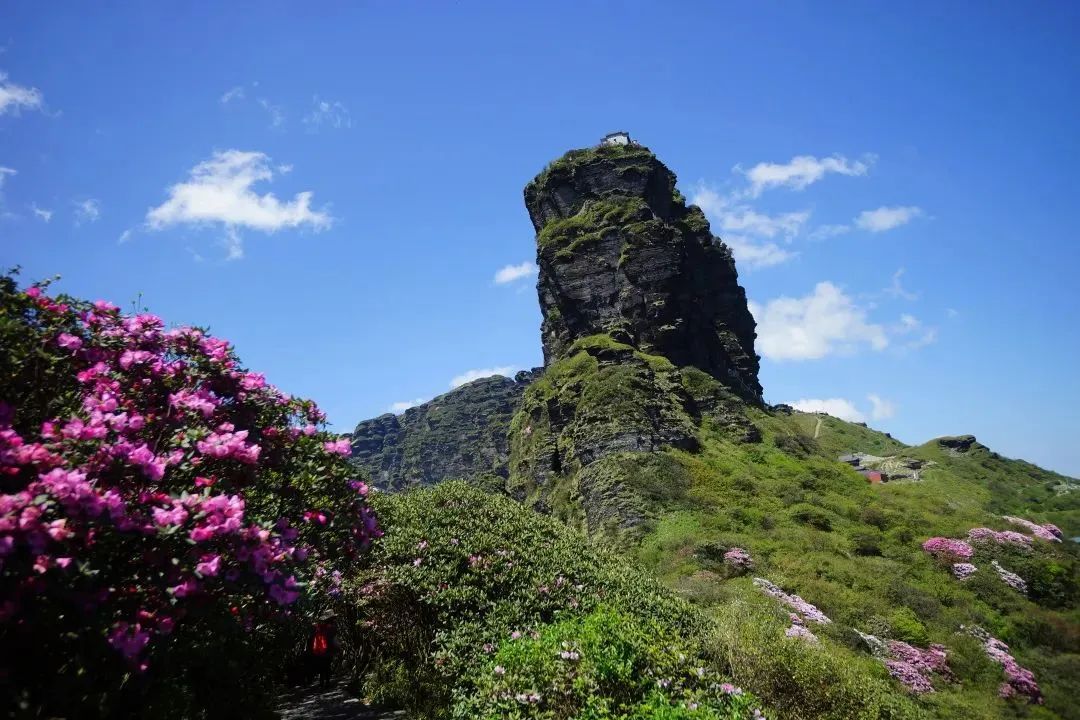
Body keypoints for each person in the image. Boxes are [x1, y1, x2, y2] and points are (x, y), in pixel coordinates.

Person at [309, 611, 338, 688]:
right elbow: (334, 638)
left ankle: (321, 683)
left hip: (320, 650)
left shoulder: (319, 627)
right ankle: (327, 682)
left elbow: (312, 636)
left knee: (321, 667)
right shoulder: (332, 627)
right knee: (327, 666)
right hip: (329, 650)